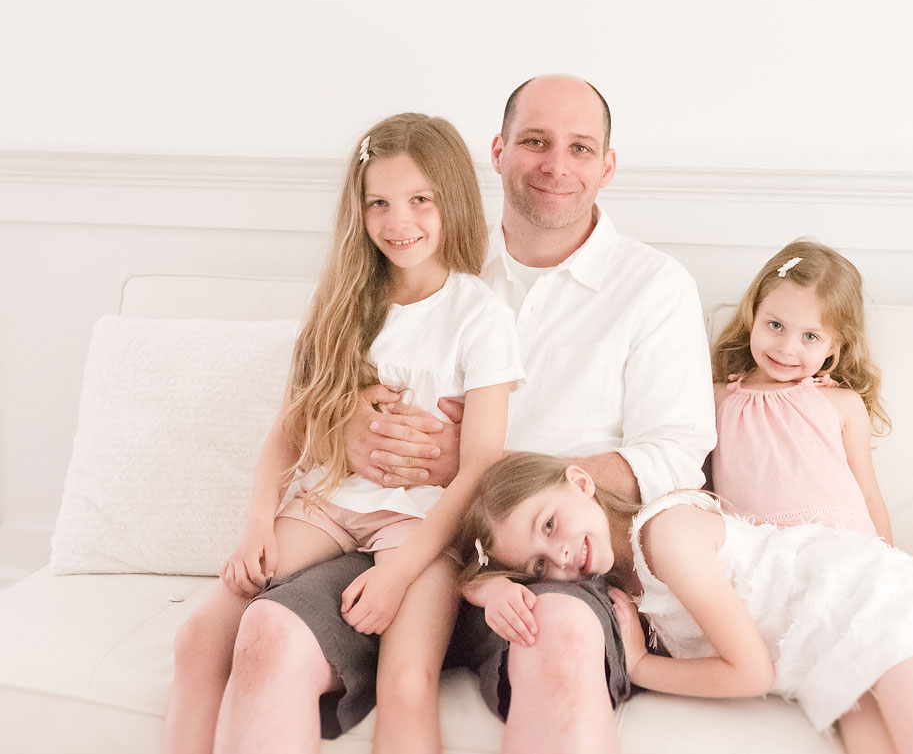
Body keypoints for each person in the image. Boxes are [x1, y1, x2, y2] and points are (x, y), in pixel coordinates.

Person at [202, 75, 716, 754]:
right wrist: (351, 419)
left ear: (607, 165)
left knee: (560, 641)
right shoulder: (424, 253)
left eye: (580, 148)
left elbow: (677, 455)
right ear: (498, 151)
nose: (555, 166)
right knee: (267, 637)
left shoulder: (654, 287)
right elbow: (331, 377)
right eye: (534, 141)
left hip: (543, 565)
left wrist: (494, 472)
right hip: (398, 540)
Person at [165, 113, 522, 754]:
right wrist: (257, 528)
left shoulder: (480, 315)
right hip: (330, 504)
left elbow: (481, 467)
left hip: (422, 526)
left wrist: (397, 575)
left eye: (420, 200)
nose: (398, 221)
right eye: (378, 203)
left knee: (406, 680)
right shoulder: (345, 301)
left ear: (453, 201)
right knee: (199, 638)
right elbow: (288, 432)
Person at [465, 451, 913, 754]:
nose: (558, 556)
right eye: (538, 567)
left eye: (550, 524)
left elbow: (750, 672)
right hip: (827, 660)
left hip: (876, 606)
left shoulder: (666, 538)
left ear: (581, 482)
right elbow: (461, 571)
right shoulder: (626, 582)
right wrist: (489, 586)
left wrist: (644, 667)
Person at [710, 239, 893, 541]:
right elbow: (698, 492)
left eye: (810, 336)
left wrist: (892, 566)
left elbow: (869, 494)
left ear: (834, 345)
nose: (786, 348)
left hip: (838, 544)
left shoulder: (842, 404)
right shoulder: (719, 400)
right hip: (756, 552)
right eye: (776, 326)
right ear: (753, 314)